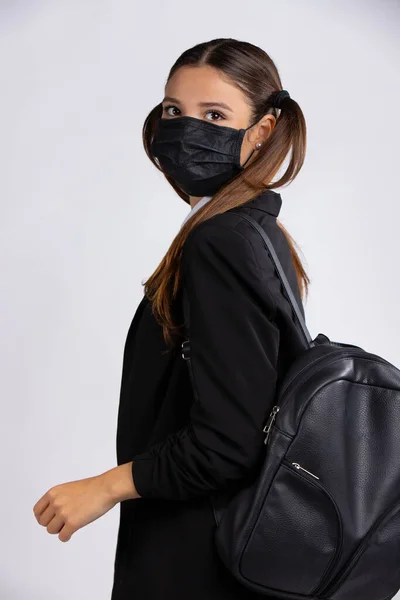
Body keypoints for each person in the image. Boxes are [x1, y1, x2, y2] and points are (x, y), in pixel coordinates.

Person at [33, 37, 311, 599]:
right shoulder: (255, 233)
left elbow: (228, 442)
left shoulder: (221, 241)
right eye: (173, 111)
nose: (186, 130)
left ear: (261, 131)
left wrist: (105, 487)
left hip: (195, 556)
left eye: (215, 115)